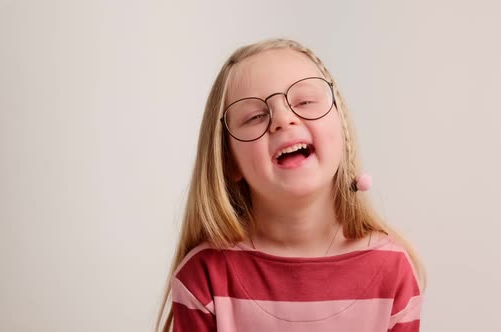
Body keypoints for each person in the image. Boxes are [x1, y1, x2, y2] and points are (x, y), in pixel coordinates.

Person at [156, 38, 425, 332]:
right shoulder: (203, 277)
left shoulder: (393, 268)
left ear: (342, 130)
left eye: (305, 101)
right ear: (228, 161)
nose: (283, 120)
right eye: (255, 116)